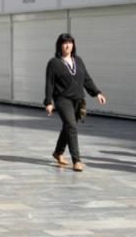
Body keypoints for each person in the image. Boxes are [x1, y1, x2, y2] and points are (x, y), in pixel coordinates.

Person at [44, 33, 106, 172]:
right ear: (59, 45)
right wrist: (48, 102)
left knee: (68, 127)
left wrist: (97, 93)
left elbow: (86, 79)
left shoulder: (78, 60)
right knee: (71, 126)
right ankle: (76, 160)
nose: (68, 45)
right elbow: (49, 84)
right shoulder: (54, 63)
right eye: (65, 43)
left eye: (70, 43)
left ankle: (58, 152)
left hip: (78, 99)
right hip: (62, 99)